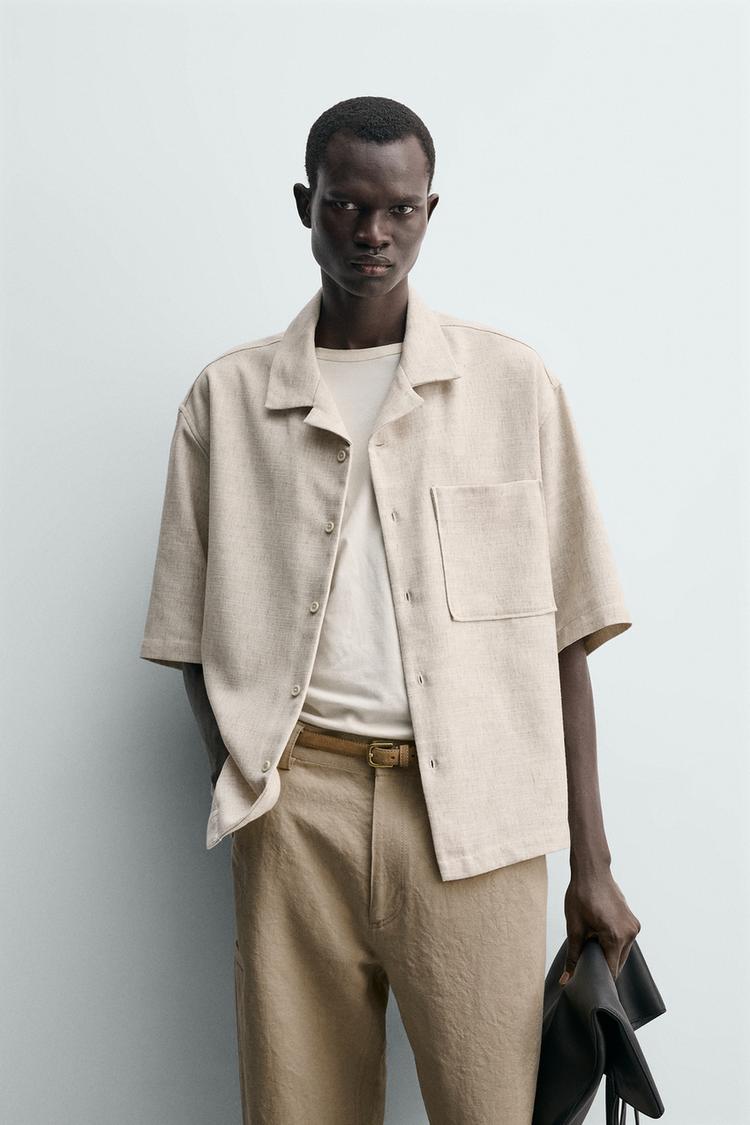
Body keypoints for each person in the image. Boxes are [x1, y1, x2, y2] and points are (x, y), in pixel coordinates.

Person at [140, 95, 641, 1125]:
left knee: (492, 1108)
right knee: (299, 1110)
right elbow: (189, 635)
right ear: (305, 205)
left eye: (399, 209)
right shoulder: (226, 401)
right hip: (298, 813)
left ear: (430, 211)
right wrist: (253, 784)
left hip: (480, 820)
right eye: (346, 205)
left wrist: (593, 864)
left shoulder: (512, 386)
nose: (372, 232)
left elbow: (565, 638)